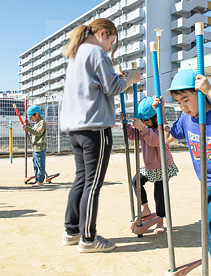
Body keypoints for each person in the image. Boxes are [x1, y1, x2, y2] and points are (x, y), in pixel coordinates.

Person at [59, 18, 141, 253]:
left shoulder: (78, 53)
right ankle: (88, 238)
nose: (109, 48)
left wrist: (120, 78)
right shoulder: (96, 52)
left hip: (76, 128)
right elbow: (113, 87)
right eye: (111, 42)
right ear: (104, 33)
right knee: (93, 185)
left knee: (82, 180)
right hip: (95, 128)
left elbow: (103, 83)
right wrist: (131, 79)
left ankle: (71, 231)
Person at [154, 69, 211, 276]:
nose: (183, 106)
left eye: (186, 99)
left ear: (201, 94)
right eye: (178, 102)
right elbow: (166, 139)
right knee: (208, 225)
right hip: (208, 181)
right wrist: (157, 114)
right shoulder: (186, 120)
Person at [119, 96, 178, 234]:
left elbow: (156, 140)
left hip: (162, 166)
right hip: (148, 166)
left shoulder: (163, 128)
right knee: (136, 181)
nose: (144, 123)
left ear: (156, 117)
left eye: (146, 120)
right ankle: (145, 207)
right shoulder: (143, 129)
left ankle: (160, 220)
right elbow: (132, 135)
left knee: (159, 194)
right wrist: (125, 124)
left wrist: (143, 128)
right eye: (143, 121)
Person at [23, 105, 47, 188]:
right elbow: (32, 130)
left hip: (40, 147)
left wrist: (27, 128)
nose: (30, 119)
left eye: (31, 117)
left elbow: (37, 132)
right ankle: (37, 178)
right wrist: (28, 125)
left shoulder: (42, 123)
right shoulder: (36, 123)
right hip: (35, 147)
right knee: (35, 164)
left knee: (40, 164)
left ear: (36, 114)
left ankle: (40, 181)